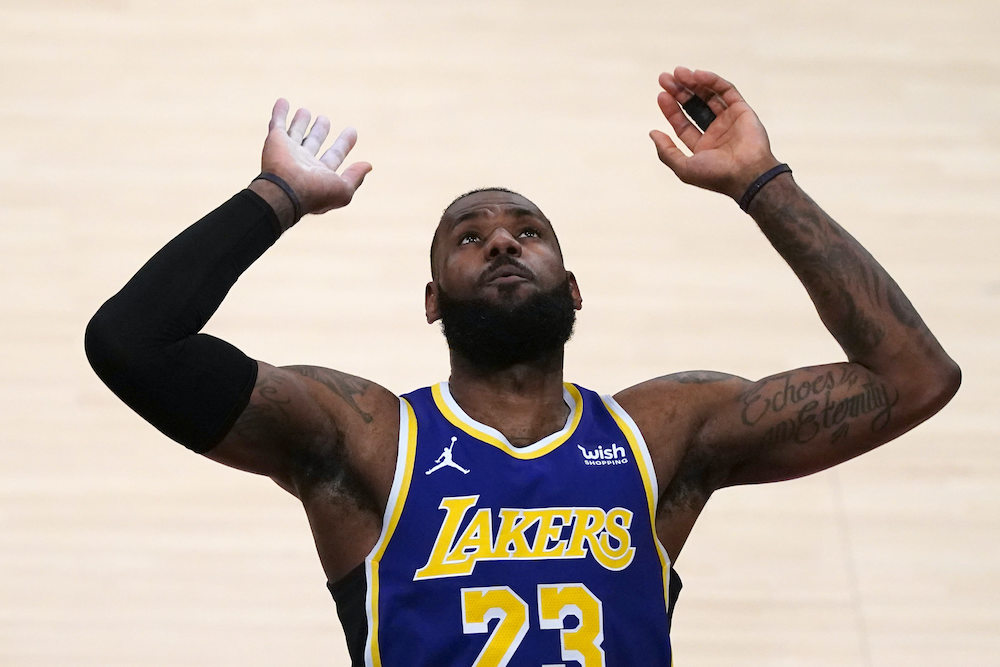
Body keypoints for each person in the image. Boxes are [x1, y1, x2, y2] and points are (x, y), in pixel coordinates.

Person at [85, 67, 960, 666]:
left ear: (573, 290)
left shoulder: (660, 433)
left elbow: (912, 378)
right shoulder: (367, 438)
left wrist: (762, 181)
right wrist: (273, 197)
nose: (501, 238)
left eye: (526, 232)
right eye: (470, 237)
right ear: (433, 299)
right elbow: (133, 342)